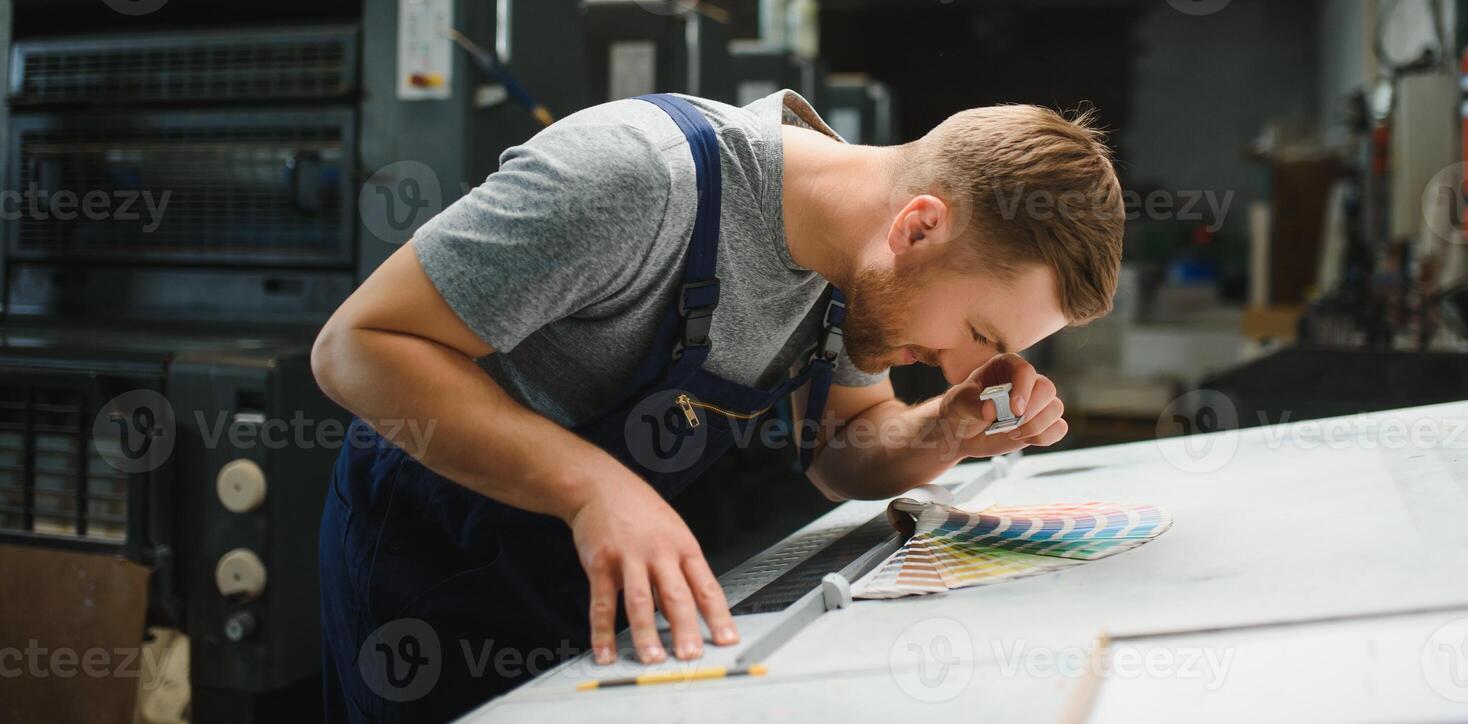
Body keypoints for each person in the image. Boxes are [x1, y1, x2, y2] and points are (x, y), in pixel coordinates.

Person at [313, 90, 1124, 722]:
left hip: (586, 570)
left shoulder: (854, 264)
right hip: (434, 553)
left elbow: (843, 444)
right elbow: (356, 346)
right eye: (978, 331)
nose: (960, 363)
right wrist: (594, 487)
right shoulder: (636, 181)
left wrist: (948, 426)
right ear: (918, 228)